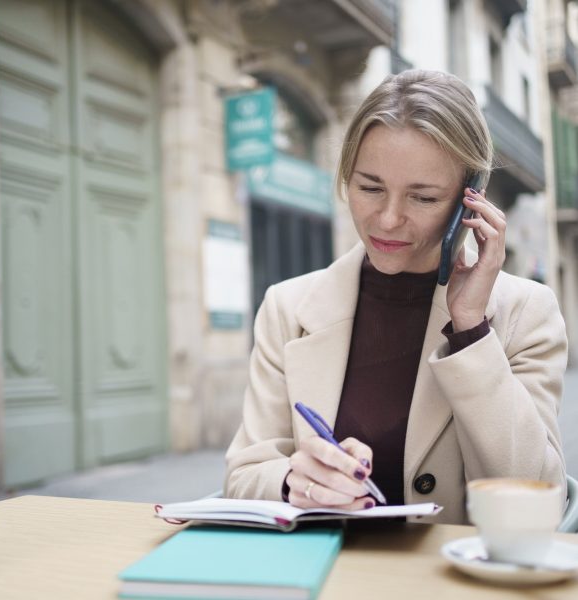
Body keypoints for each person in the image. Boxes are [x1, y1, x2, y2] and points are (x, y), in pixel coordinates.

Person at [224, 70, 568, 525]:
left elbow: (537, 497)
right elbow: (243, 474)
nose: (387, 220)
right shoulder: (287, 306)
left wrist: (471, 331)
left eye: (423, 198)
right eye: (369, 188)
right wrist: (294, 481)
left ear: (470, 203)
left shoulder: (527, 313)